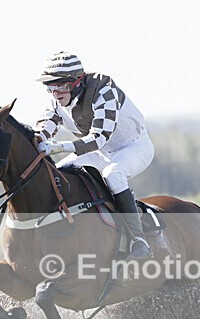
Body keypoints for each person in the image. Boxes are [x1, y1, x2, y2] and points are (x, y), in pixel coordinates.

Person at [35, 51, 153, 260]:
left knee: (112, 174)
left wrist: (57, 147)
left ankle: (139, 240)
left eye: (61, 86)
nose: (56, 93)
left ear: (77, 82)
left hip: (133, 147)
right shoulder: (55, 100)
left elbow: (99, 138)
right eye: (50, 87)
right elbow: (44, 128)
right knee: (58, 173)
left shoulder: (104, 92)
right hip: (98, 152)